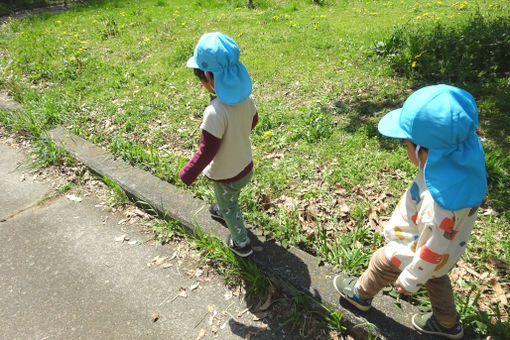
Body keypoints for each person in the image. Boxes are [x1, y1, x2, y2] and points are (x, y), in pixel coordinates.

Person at [333, 84, 488, 339]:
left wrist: (410, 279)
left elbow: (432, 248)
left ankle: (359, 295)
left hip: (414, 248)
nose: (405, 150)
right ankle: (447, 323)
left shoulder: (437, 203)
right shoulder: (464, 160)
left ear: (423, 151)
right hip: (449, 252)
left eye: (406, 144)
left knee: (381, 263)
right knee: (437, 279)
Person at [179, 32, 258, 257]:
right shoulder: (248, 100)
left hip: (227, 174)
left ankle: (241, 243)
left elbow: (207, 151)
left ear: (209, 78)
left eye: (201, 80)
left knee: (229, 206)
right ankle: (222, 210)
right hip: (245, 165)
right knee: (230, 196)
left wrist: (188, 172)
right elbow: (253, 121)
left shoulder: (215, 112)